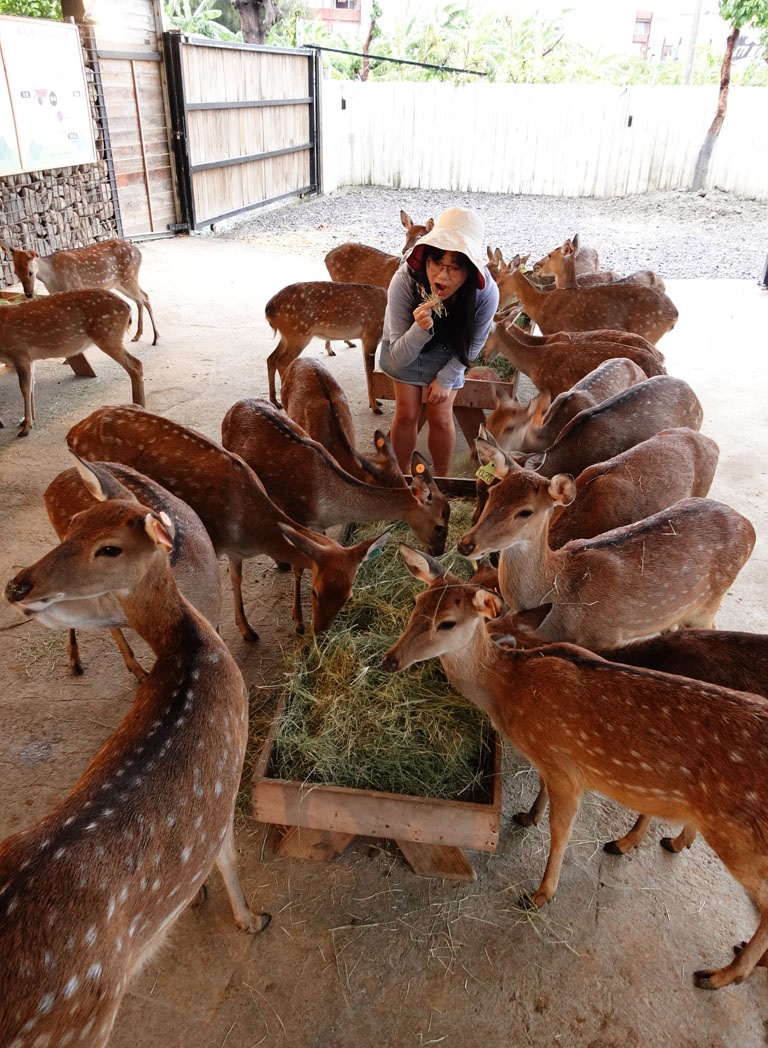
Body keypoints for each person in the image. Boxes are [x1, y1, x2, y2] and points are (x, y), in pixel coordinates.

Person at [378, 206, 499, 477]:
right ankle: (402, 480)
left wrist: (447, 377)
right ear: (426, 259)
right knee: (407, 412)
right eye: (436, 264)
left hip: (451, 351)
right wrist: (420, 329)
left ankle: (443, 482)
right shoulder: (405, 279)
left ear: (470, 271)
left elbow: (473, 344)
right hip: (405, 345)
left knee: (440, 415)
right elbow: (398, 356)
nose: (442, 276)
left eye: (455, 269)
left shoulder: (486, 294)